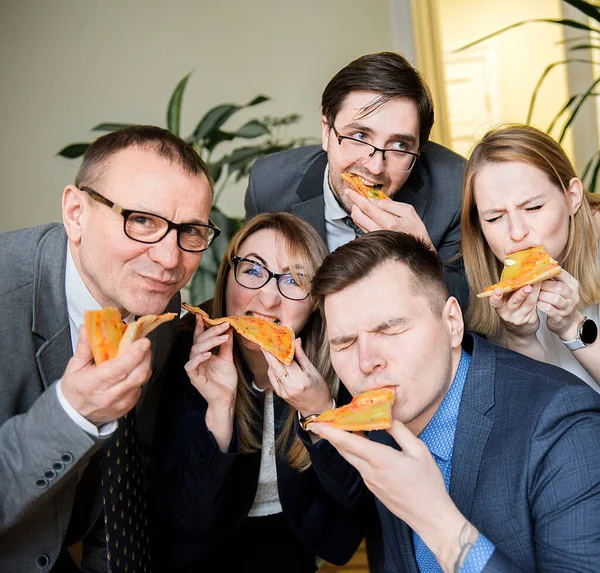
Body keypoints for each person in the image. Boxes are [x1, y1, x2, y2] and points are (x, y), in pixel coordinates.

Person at [307, 230, 600, 572]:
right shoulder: (385, 414)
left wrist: (435, 519)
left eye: (390, 330)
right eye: (344, 343)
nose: (366, 362)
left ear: (452, 322)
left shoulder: (563, 426)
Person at [0, 125, 217, 572]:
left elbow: (126, 468)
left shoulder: (154, 303)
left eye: (190, 230)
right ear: (76, 212)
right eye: (141, 221)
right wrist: (69, 412)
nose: (169, 259)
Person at [153, 213, 367, 573]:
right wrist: (219, 407)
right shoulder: (182, 352)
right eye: (252, 270)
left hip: (295, 548)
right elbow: (191, 517)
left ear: (316, 300)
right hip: (199, 554)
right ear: (227, 276)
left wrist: (319, 410)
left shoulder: (340, 358)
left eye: (295, 279)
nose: (267, 299)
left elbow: (356, 500)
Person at [245, 51, 469, 309]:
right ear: (327, 131)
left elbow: (469, 311)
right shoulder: (269, 185)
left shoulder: (456, 187)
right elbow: (253, 292)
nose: (374, 167)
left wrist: (420, 257)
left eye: (399, 145)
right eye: (360, 136)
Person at [461, 124, 600, 390]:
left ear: (572, 196)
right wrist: (520, 338)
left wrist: (573, 326)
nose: (516, 232)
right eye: (494, 217)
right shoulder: (486, 293)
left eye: (533, 207)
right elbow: (542, 419)